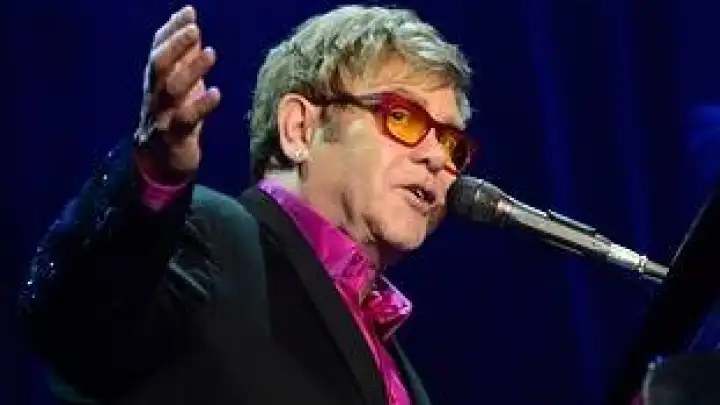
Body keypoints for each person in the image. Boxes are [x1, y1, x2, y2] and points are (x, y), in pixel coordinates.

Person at [18, 4, 476, 405]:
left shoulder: (401, 369)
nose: (438, 159)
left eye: (451, 143)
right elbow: (74, 325)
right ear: (300, 129)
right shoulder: (213, 237)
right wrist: (155, 171)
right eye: (403, 118)